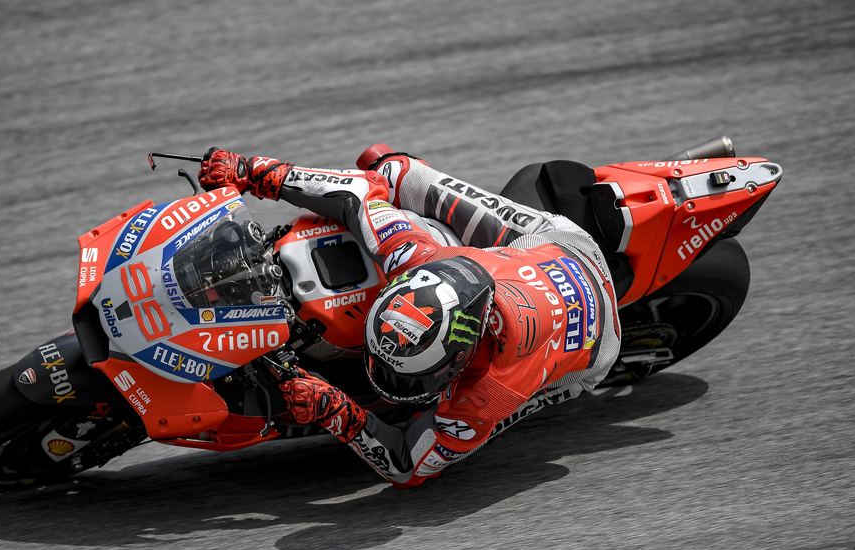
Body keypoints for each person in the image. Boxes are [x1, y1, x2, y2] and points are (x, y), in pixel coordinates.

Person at [197, 144, 621, 488]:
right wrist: (256, 173)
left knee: (500, 414)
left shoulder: (488, 394)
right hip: (549, 252)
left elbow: (407, 466)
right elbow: (358, 193)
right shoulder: (416, 258)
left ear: (460, 361)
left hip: (595, 335)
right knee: (397, 172)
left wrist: (336, 412)